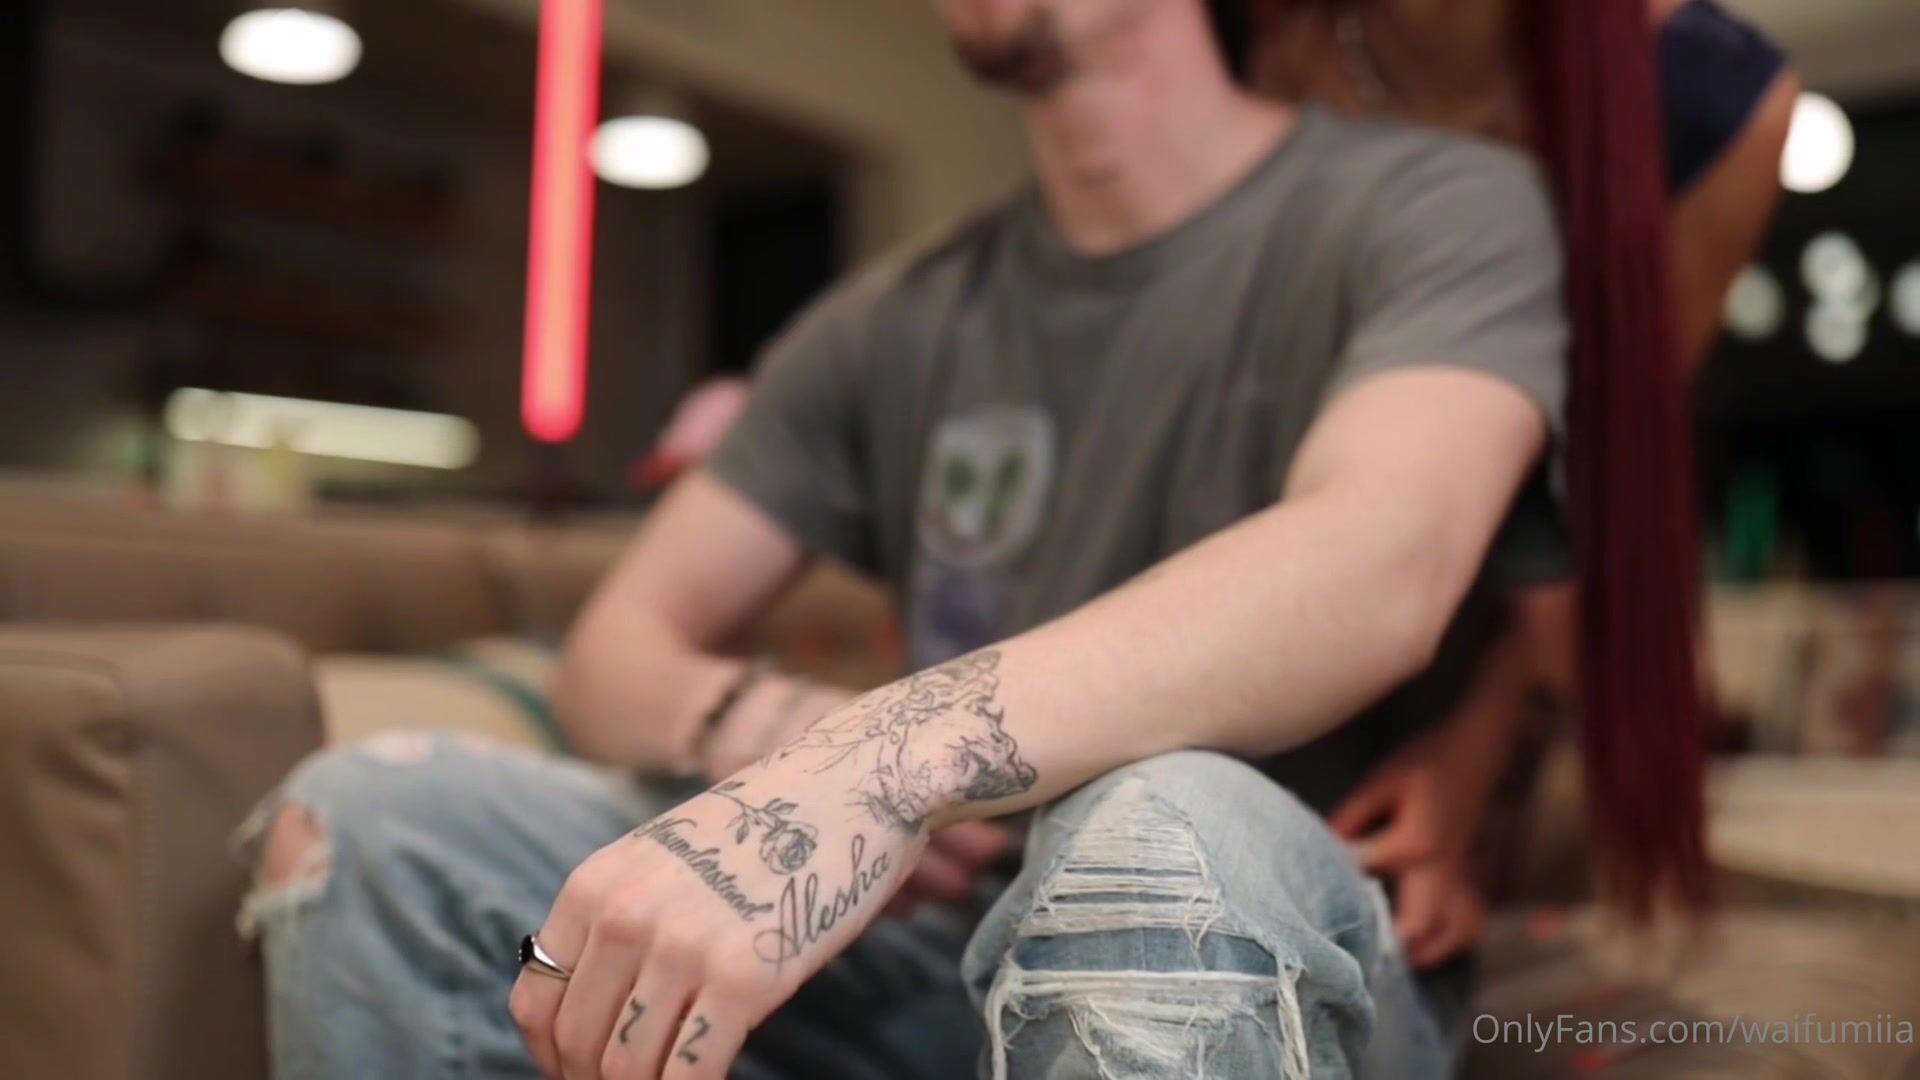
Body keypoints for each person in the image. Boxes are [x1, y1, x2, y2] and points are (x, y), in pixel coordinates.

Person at [239, 1, 1696, 1077]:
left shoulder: (1439, 208)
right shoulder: (895, 315)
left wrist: (870, 768)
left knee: (1158, 829)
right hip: (925, 952)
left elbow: (1383, 559)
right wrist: (774, 732)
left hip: (1269, 948)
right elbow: (621, 643)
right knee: (373, 823)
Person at [1251, 0, 1796, 972]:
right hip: (1237, 573)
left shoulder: (1710, 99)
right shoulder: (1245, 36)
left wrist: (1479, 741)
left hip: (1481, 645)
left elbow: (1593, 481)